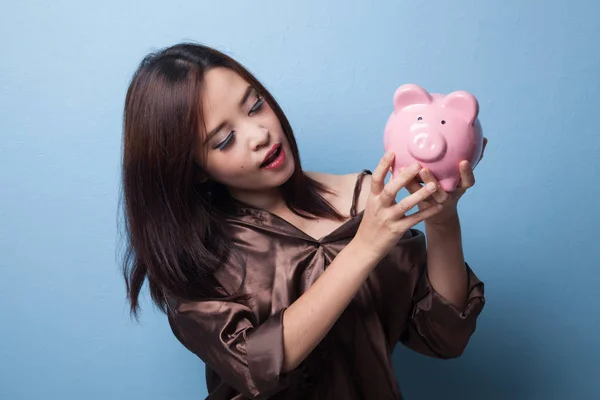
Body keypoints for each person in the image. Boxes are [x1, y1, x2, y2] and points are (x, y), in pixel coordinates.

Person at [120, 42, 487, 400]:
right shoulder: (196, 258)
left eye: (255, 105)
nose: (260, 134)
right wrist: (364, 246)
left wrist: (442, 220)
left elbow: (444, 337)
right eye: (226, 139)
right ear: (195, 170)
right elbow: (255, 368)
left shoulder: (364, 200)